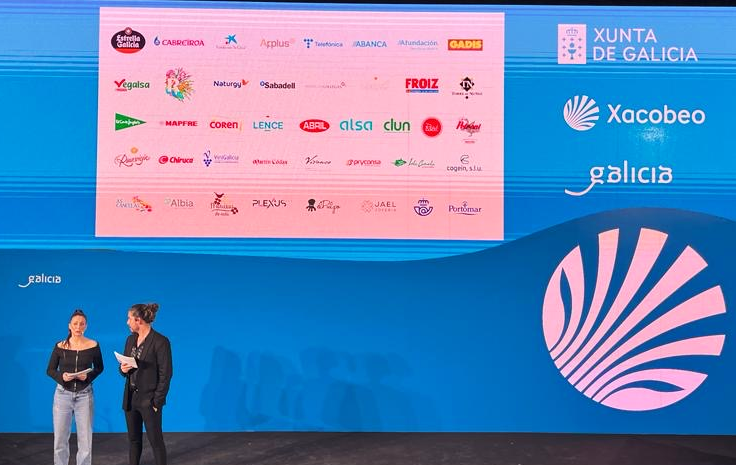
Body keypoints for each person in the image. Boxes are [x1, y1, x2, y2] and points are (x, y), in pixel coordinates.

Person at [46, 309, 104, 465]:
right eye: (75, 324)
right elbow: (50, 370)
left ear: (86, 326)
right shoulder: (60, 346)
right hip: (62, 395)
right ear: (69, 325)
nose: (78, 327)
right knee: (60, 439)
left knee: (85, 440)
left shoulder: (93, 345)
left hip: (84, 395)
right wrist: (62, 377)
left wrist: (88, 377)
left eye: (82, 324)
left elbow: (99, 367)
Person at [120, 303, 173, 465]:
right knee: (134, 440)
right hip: (131, 398)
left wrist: (157, 402)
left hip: (149, 401)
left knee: (156, 441)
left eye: (129, 318)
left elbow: (166, 374)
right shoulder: (130, 339)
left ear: (139, 320)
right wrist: (123, 369)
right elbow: (125, 368)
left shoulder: (160, 341)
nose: (127, 322)